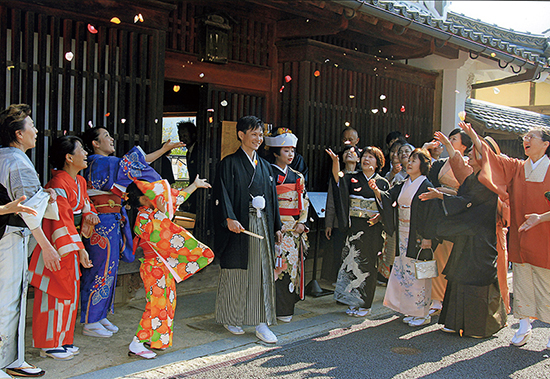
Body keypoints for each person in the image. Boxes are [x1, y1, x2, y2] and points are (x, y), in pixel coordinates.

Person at [80, 127, 183, 338]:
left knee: (108, 268)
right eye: (106, 136)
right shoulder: (99, 161)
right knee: (100, 269)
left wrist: (162, 150)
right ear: (95, 144)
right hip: (102, 220)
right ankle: (90, 320)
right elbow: (134, 165)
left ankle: (99, 316)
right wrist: (161, 154)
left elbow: (134, 164)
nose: (111, 138)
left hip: (110, 219)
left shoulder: (106, 163)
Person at [460, 122, 550, 349]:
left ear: (546, 144)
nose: (526, 139)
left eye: (532, 136)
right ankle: (524, 325)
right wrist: (475, 137)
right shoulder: (519, 167)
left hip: (545, 235)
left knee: (546, 283)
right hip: (522, 235)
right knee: (522, 281)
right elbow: (494, 159)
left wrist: (541, 217)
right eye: (525, 136)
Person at [419, 140, 507, 338]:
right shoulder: (472, 178)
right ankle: (455, 321)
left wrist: (442, 197)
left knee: (477, 278)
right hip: (467, 233)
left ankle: (478, 327)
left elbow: (468, 203)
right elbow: (462, 197)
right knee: (459, 274)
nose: (468, 154)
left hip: (480, 236)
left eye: (473, 152)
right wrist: (441, 195)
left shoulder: (488, 179)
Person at [0, 104, 60, 378]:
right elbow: (29, 212)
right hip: (11, 236)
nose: (36, 131)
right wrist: (47, 246)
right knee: (9, 301)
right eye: (31, 126)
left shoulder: (4, 157)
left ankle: (11, 359)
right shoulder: (17, 162)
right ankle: (7, 361)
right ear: (18, 133)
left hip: (5, 233)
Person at [125, 177, 214, 359]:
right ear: (143, 199)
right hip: (153, 267)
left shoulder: (153, 212)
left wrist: (194, 186)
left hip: (162, 267)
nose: (159, 197)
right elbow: (164, 235)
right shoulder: (142, 218)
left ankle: (156, 339)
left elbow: (176, 198)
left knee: (168, 302)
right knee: (156, 304)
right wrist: (163, 211)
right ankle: (137, 342)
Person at [213, 115, 283, 344]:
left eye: (260, 134)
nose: (258, 138)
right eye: (253, 133)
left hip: (261, 223)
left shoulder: (264, 166)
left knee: (262, 271)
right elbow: (221, 193)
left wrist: (277, 226)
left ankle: (261, 323)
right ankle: (231, 317)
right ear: (241, 135)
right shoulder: (229, 163)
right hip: (239, 225)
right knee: (236, 271)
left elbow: (272, 198)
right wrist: (228, 218)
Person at [29, 136, 99, 359]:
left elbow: (85, 205)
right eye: (82, 150)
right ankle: (48, 343)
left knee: (69, 292)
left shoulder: (79, 182)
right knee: (54, 293)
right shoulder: (58, 183)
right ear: (69, 158)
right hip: (56, 244)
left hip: (70, 242)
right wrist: (79, 248)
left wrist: (89, 214)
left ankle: (64, 340)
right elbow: (61, 220)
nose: (86, 154)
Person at [370, 148, 437, 327]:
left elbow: (431, 214)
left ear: (423, 165)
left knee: (419, 274)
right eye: (410, 160)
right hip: (403, 232)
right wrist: (376, 190)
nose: (409, 163)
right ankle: (409, 310)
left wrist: (428, 237)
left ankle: (422, 313)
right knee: (405, 272)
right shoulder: (406, 183)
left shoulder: (426, 185)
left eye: (414, 160)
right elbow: (388, 197)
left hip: (418, 235)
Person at [326, 146, 389, 317]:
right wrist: (335, 162)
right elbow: (337, 179)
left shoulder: (382, 182)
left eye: (371, 157)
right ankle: (352, 302)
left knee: (368, 266)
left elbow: (388, 206)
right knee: (351, 265)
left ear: (378, 163)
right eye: (365, 156)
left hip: (372, 229)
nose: (366, 159)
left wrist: (381, 217)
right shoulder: (352, 178)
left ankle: (366, 305)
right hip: (354, 227)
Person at [425, 129, 472, 317]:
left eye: (453, 139)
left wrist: (445, 193)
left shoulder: (469, 165)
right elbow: (426, 178)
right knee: (438, 255)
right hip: (439, 213)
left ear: (464, 145)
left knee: (454, 258)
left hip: (458, 213)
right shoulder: (441, 164)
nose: (448, 141)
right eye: (449, 138)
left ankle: (450, 298)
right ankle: (435, 298)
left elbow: (467, 193)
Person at [265, 130, 309, 323]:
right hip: (275, 229)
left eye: (292, 150)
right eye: (285, 150)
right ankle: (268, 309)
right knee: (273, 268)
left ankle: (285, 309)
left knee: (291, 268)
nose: (290, 154)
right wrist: (275, 224)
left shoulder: (297, 176)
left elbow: (304, 200)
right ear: (276, 152)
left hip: (293, 229)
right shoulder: (267, 173)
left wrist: (302, 222)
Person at [324, 145, 361, 282]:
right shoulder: (338, 175)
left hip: (357, 220)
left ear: (358, 158)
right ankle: (338, 279)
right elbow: (331, 201)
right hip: (339, 220)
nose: (349, 154)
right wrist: (328, 223)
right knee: (339, 251)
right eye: (346, 152)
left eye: (352, 152)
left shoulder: (362, 176)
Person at [177, 121, 198, 213]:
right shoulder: (188, 152)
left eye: (185, 136)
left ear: (193, 135)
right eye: (180, 136)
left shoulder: (198, 150)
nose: (182, 139)